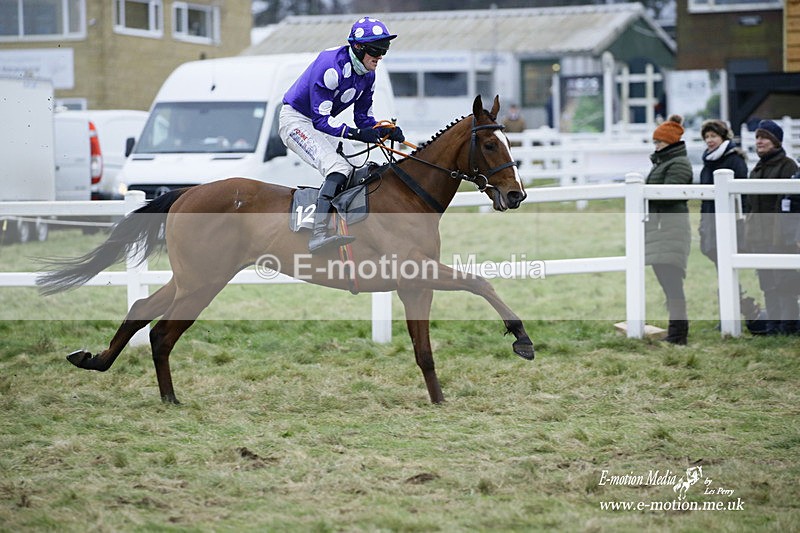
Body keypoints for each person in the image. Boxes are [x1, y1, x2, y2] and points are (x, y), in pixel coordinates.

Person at [279, 16, 404, 253]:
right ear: (358, 47)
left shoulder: (369, 75)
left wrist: (384, 130)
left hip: (318, 124)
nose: (380, 56)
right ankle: (318, 234)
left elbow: (363, 120)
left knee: (359, 166)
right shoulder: (331, 67)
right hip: (296, 120)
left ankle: (355, 227)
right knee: (338, 168)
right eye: (376, 49)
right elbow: (321, 120)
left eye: (384, 49)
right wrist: (358, 134)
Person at [741, 120, 800, 335]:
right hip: (759, 237)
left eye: (764, 137)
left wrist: (783, 237)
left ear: (775, 141)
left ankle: (788, 326)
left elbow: (786, 206)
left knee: (784, 283)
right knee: (767, 283)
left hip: (780, 237)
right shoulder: (756, 170)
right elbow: (751, 207)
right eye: (757, 137)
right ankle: (773, 326)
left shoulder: (788, 166)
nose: (759, 141)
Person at [645, 115, 694, 345]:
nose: (656, 146)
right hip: (660, 229)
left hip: (671, 228)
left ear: (670, 143)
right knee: (668, 283)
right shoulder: (663, 163)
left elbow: (668, 194)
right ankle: (675, 330)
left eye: (659, 143)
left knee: (673, 283)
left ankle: (678, 333)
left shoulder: (679, 164)